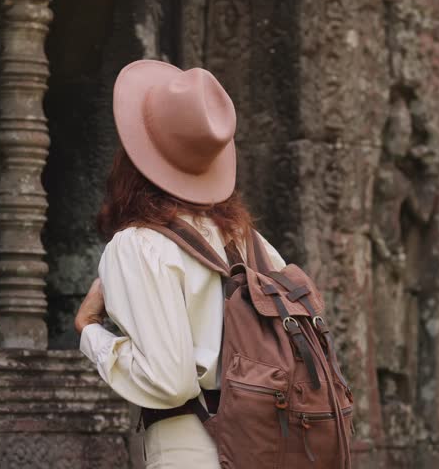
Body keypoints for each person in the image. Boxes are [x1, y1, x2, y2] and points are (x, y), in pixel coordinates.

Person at [74, 60, 287, 468]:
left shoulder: (139, 246)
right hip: (271, 449)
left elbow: (169, 381)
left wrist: (89, 331)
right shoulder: (250, 242)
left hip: (194, 452)